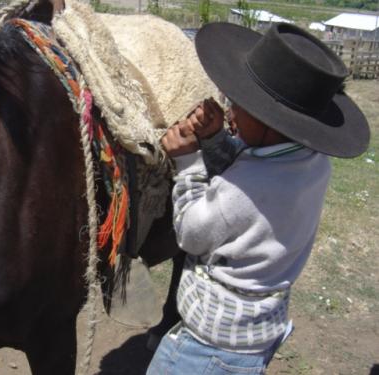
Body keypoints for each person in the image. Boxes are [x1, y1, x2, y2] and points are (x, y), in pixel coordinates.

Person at [146, 22, 369, 374]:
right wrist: (217, 137)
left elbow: (190, 233)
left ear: (270, 119)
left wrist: (186, 163)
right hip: (257, 331)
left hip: (209, 345)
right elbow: (248, 167)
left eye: (237, 104)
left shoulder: (244, 188)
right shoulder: (311, 163)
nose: (230, 112)